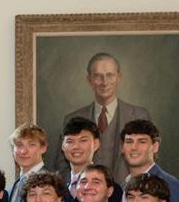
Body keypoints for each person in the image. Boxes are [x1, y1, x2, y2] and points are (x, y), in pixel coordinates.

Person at [50, 52, 152, 182]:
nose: (104, 82)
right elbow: (61, 166)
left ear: (119, 77)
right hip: (86, 192)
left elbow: (148, 162)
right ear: (89, 80)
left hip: (128, 192)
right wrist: (77, 188)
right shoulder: (72, 118)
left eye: (110, 75)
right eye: (98, 76)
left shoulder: (139, 115)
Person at [120, 119, 179, 202]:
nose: (134, 147)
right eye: (129, 141)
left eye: (142, 142)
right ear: (122, 147)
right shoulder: (123, 186)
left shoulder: (169, 185)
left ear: (155, 147)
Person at [5, 124, 50, 202]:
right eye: (19, 145)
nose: (23, 151)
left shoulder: (51, 183)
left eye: (31, 145)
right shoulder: (14, 186)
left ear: (43, 148)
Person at [57, 116, 103, 202]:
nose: (76, 146)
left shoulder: (105, 186)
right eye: (70, 141)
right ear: (63, 146)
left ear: (96, 144)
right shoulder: (56, 187)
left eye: (83, 140)